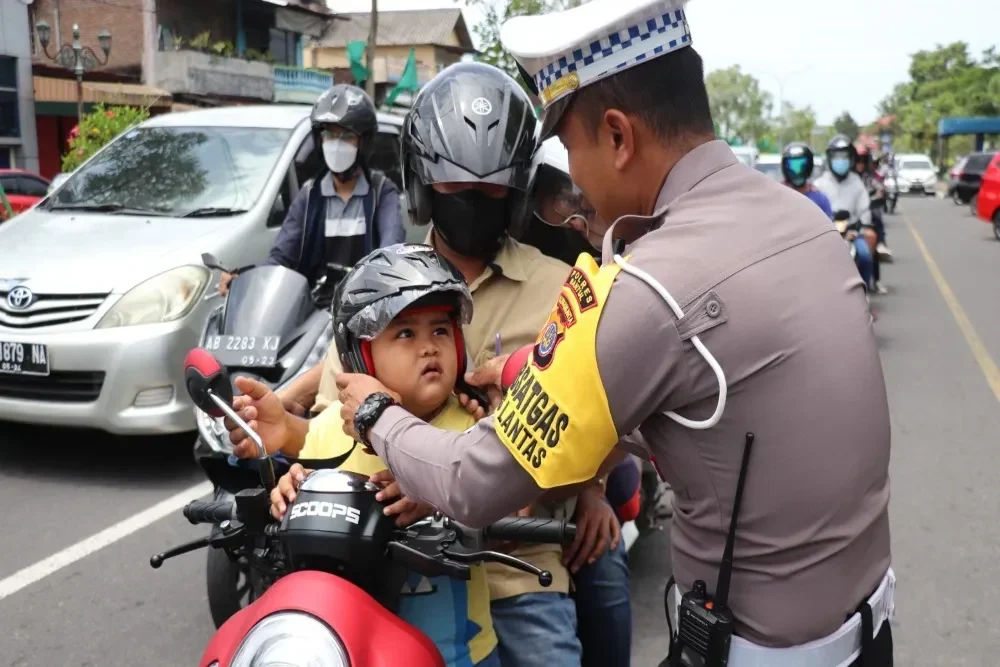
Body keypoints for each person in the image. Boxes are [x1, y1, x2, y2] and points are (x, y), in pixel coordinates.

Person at [330, 1, 894, 665]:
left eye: (572, 147)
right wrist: (519, 371)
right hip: (867, 629)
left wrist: (375, 411)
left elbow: (472, 482)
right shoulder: (803, 223)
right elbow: (714, 411)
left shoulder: (651, 287)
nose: (574, 176)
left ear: (619, 137)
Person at [228, 63, 613, 667]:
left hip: (515, 566)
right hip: (378, 566)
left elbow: (585, 423)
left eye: (492, 192)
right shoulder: (376, 284)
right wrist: (291, 460)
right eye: (457, 189)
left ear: (518, 192)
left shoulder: (562, 288)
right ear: (424, 186)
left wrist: (586, 491)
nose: (474, 204)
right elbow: (332, 422)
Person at [264, 243, 499, 667]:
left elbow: (505, 505)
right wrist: (288, 493)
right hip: (345, 645)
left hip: (454, 651)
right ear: (361, 355)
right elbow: (304, 483)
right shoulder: (331, 425)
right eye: (406, 333)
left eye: (440, 330)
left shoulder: (472, 429)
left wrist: (437, 496)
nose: (429, 347)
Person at [527, 136, 633, 667]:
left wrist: (591, 489)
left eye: (583, 201)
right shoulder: (481, 270)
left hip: (590, 457)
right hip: (497, 473)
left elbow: (616, 398)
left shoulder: (613, 272)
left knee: (604, 562)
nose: (573, 215)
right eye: (561, 199)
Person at [218, 84, 404, 296]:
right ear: (320, 139)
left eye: (346, 136)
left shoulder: (381, 192)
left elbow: (391, 246)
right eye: (330, 135)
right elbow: (282, 258)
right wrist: (244, 279)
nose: (336, 145)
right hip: (315, 308)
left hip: (366, 303)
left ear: (364, 142)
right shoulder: (309, 195)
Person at [781, 142, 874, 289]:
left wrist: (856, 229)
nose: (797, 170)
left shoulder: (819, 196)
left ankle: (864, 291)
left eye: (802, 165)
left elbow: (829, 224)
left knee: (864, 256)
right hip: (787, 248)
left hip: (837, 238)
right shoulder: (780, 194)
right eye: (793, 165)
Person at [814, 135, 886, 293]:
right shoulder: (820, 184)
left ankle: (863, 292)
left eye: (844, 157)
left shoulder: (857, 183)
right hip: (826, 235)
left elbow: (864, 210)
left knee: (865, 256)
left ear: (851, 158)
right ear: (830, 158)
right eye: (837, 156)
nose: (841, 161)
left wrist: (861, 227)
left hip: (853, 233)